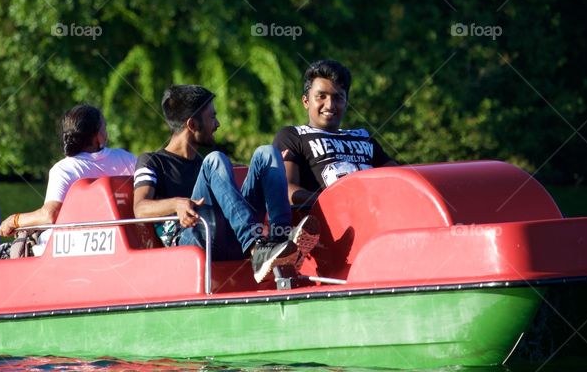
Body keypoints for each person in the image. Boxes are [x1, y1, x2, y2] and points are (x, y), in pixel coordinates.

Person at [133, 85, 319, 283]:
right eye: (212, 117)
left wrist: (271, 171)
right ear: (192, 124)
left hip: (229, 234)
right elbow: (140, 208)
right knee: (215, 159)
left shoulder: (204, 165)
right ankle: (258, 249)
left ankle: (279, 243)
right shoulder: (152, 161)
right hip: (189, 240)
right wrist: (177, 204)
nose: (218, 123)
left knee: (267, 154)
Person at [0, 104, 136, 252]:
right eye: (105, 127)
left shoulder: (64, 169)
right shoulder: (127, 159)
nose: (106, 131)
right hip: (123, 241)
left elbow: (50, 215)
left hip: (72, 249)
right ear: (98, 136)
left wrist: (14, 220)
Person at [274, 60, 397, 206]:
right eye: (321, 96)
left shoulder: (364, 137)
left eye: (338, 97)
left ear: (346, 102)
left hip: (375, 215)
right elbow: (285, 189)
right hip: (329, 222)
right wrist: (333, 204)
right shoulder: (292, 136)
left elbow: (399, 179)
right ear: (306, 101)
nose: (330, 105)